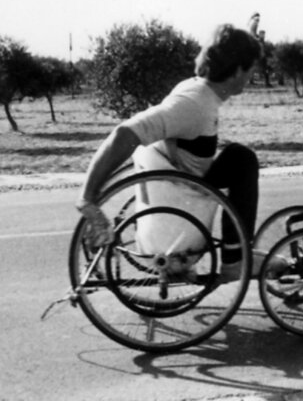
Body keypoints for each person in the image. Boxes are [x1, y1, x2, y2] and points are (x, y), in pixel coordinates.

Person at [76, 23, 263, 281]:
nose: (252, 76)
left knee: (236, 155)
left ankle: (236, 253)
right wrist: (88, 197)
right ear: (237, 69)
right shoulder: (194, 104)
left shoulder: (200, 89)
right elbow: (124, 133)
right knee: (243, 159)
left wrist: (248, 40)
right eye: (250, 69)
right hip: (187, 192)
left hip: (187, 179)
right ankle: (236, 259)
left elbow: (231, 52)